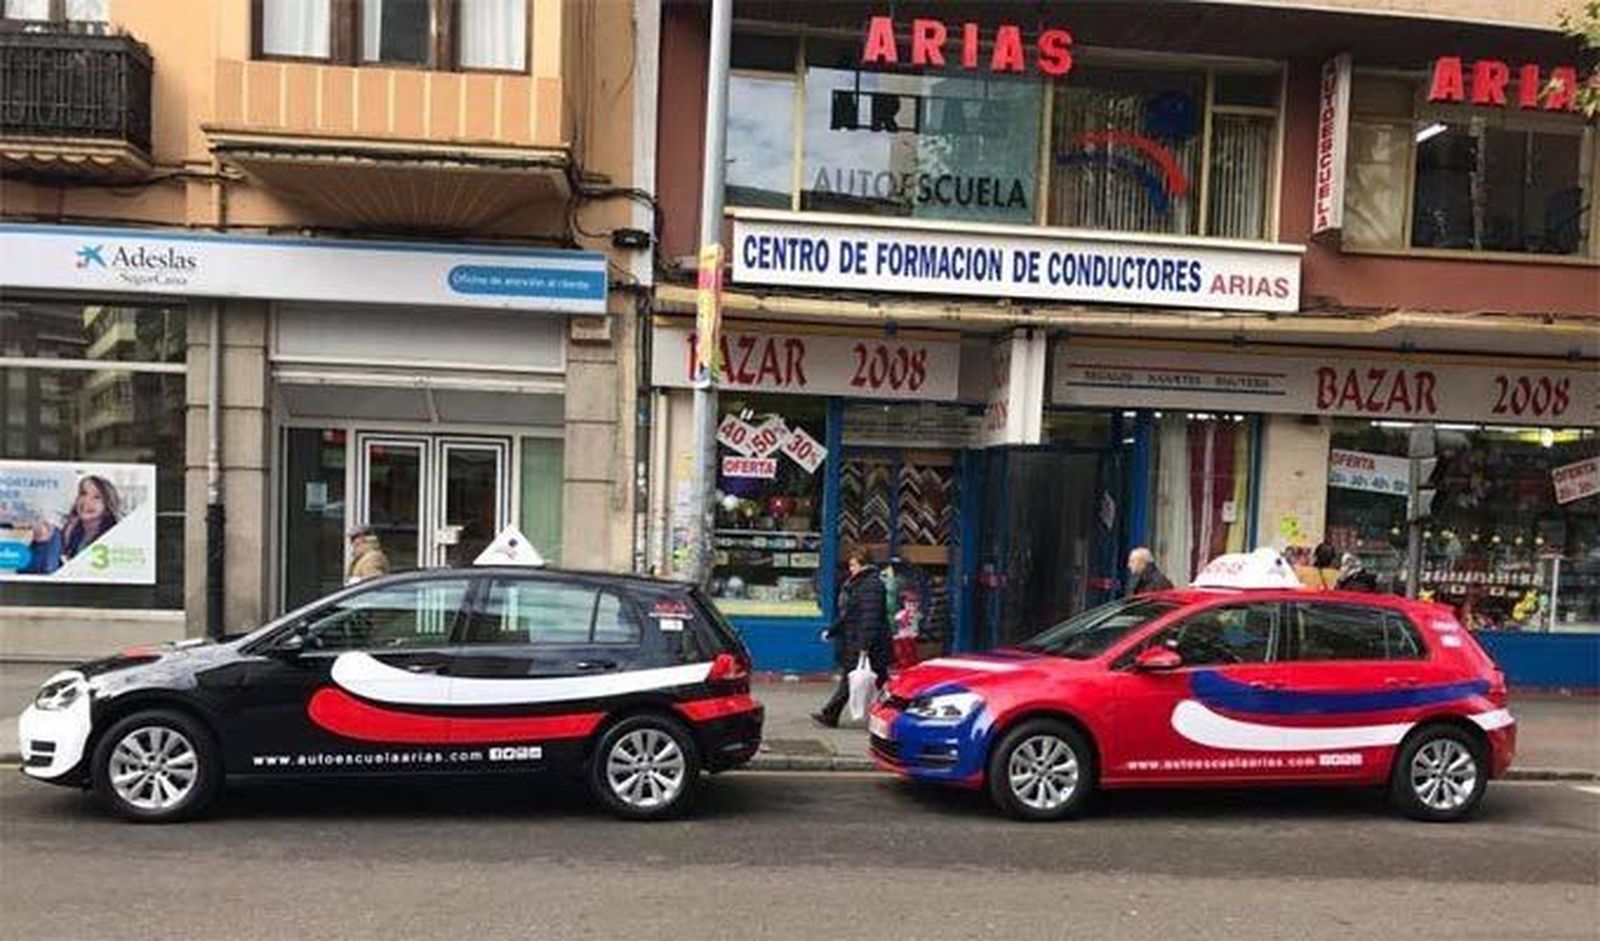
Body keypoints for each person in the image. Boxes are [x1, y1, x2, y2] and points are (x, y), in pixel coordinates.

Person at [812, 545, 890, 728]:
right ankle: (831, 714)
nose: (850, 569)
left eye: (853, 565)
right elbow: (850, 614)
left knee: (861, 679)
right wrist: (833, 631)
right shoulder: (861, 583)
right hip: (860, 639)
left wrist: (864, 645)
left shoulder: (871, 585)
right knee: (861, 679)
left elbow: (869, 617)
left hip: (866, 642)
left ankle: (831, 714)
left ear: (864, 565)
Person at [22, 475, 123, 575]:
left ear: (107, 507)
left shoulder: (112, 536)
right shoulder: (71, 529)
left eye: (97, 497)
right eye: (83, 493)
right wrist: (40, 543)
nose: (86, 501)